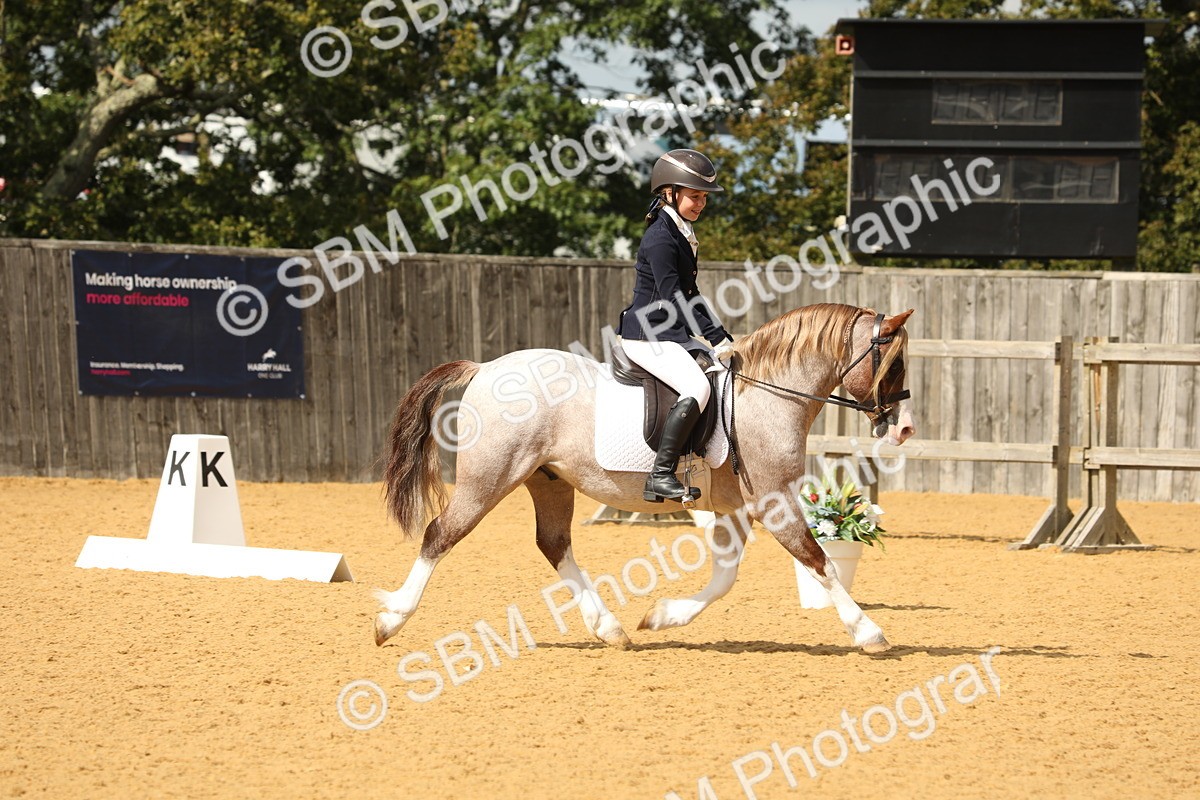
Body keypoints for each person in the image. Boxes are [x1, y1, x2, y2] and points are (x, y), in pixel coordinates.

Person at [617, 149, 734, 503]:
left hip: (668, 333)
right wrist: (712, 337)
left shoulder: (680, 229)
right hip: (647, 335)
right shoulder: (661, 238)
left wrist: (719, 335)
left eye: (703, 197)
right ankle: (661, 474)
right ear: (669, 193)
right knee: (697, 388)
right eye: (695, 196)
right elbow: (673, 297)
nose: (701, 203)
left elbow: (690, 291)